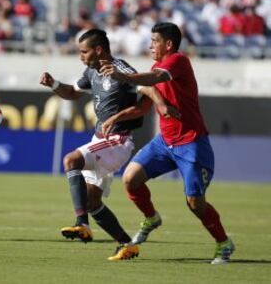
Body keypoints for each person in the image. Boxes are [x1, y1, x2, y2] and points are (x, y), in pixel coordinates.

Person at [100, 22, 235, 264]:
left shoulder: (178, 61)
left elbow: (155, 78)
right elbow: (146, 97)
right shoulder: (155, 66)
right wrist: (120, 115)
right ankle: (151, 217)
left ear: (168, 44)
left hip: (191, 142)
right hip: (164, 142)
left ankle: (223, 243)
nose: (150, 45)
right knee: (130, 179)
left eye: (154, 41)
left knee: (195, 203)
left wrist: (122, 75)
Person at [39, 29, 173, 261]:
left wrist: (160, 106)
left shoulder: (120, 68)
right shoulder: (91, 71)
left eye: (84, 51)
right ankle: (126, 244)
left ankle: (82, 224)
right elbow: (72, 92)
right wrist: (53, 84)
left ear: (99, 50)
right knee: (92, 202)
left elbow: (148, 90)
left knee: (71, 160)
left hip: (117, 141)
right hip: (100, 140)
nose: (81, 56)